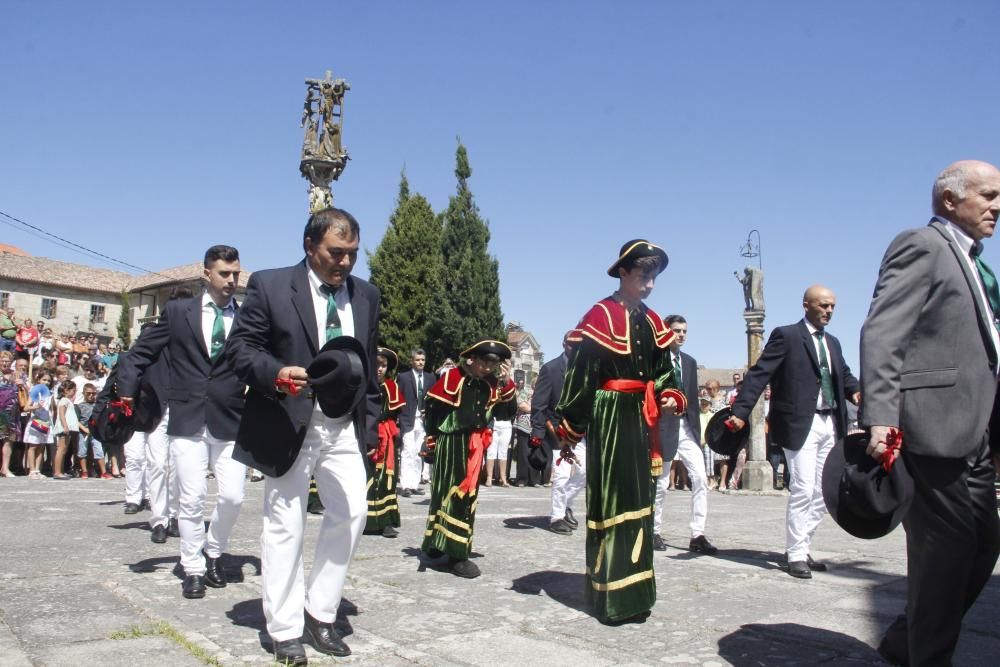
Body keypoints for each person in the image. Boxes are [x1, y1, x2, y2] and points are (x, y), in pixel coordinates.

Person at [226, 208, 381, 665]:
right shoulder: (271, 286)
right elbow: (240, 350)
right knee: (285, 525)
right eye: (337, 252)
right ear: (310, 246)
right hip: (287, 422)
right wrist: (277, 373)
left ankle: (320, 610)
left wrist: (370, 428)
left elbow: (368, 367)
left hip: (343, 427)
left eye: (352, 254)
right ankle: (285, 629)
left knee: (353, 513)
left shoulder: (367, 296)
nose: (346, 263)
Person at [861, 160, 1000, 666]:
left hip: (976, 431)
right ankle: (928, 656)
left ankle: (904, 642)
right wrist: (881, 416)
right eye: (986, 195)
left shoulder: (976, 263)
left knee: (984, 546)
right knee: (944, 555)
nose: (997, 206)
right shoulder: (921, 245)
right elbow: (883, 331)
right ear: (949, 200)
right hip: (930, 425)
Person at [555, 240, 685, 625]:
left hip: (642, 419)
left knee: (641, 500)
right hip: (611, 413)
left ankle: (636, 593)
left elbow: (664, 369)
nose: (649, 284)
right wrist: (572, 425)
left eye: (654, 277)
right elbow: (580, 377)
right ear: (624, 273)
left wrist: (670, 393)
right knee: (613, 502)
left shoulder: (652, 320)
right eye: (643, 275)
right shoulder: (600, 315)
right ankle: (612, 597)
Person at [116, 245, 247, 600]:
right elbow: (141, 352)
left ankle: (215, 549)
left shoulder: (247, 317)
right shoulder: (178, 312)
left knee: (234, 496)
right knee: (191, 498)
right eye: (225, 273)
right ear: (207, 274)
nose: (232, 280)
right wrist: (126, 388)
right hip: (187, 418)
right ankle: (193, 567)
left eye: (236, 273)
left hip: (231, 418)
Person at [728, 285, 860, 579]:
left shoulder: (834, 343)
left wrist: (857, 392)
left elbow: (845, 375)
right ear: (806, 305)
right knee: (803, 486)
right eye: (823, 305)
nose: (828, 311)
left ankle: (801, 544)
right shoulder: (786, 336)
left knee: (825, 491)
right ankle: (796, 553)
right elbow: (760, 373)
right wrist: (740, 412)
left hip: (830, 422)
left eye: (832, 306)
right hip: (801, 422)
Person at [420, 340, 516, 579]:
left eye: (493, 364)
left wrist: (506, 383)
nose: (487, 368)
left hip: (474, 445)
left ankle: (456, 552)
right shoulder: (452, 377)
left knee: (466, 497)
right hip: (451, 443)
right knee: (446, 494)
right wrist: (431, 441)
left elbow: (505, 413)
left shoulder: (493, 384)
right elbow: (433, 410)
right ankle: (442, 545)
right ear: (472, 358)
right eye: (485, 362)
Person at [652, 315, 717, 555]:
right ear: (666, 332)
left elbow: (691, 399)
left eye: (684, 331)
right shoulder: (655, 359)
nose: (681, 335)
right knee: (660, 484)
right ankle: (654, 530)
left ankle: (697, 534)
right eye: (676, 330)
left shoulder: (689, 362)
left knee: (700, 478)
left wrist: (697, 432)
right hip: (662, 428)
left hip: (686, 428)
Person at [531, 331, 584, 535]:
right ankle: (557, 517)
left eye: (579, 346)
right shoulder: (550, 369)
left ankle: (566, 504)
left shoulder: (585, 370)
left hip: (579, 430)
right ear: (564, 344)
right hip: (557, 431)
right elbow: (539, 405)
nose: (575, 349)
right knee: (561, 476)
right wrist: (538, 433)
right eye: (572, 345)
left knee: (583, 473)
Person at [365, 347, 404, 538]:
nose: (380, 369)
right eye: (376, 365)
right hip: (364, 435)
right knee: (366, 476)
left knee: (386, 479)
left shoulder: (391, 386)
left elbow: (396, 414)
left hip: (386, 438)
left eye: (383, 365)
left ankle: (386, 520)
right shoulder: (362, 384)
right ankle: (365, 521)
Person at [396, 349, 436, 497]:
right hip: (408, 419)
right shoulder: (403, 377)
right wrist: (399, 417)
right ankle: (405, 485)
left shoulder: (430, 378)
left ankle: (414, 484)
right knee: (407, 452)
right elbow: (398, 397)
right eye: (418, 360)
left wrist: (429, 411)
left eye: (423, 360)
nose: (421, 362)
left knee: (419, 453)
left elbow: (433, 399)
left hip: (423, 421)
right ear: (412, 361)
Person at [484, 360, 514, 487]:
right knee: (491, 450)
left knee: (503, 451)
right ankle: (489, 478)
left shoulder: (511, 386)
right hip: (494, 423)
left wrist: (507, 381)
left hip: (506, 423)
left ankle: (503, 478)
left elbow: (513, 407)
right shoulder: (493, 385)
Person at [50, 380, 78, 479]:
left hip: (67, 428)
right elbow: (61, 413)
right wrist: (65, 425)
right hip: (64, 428)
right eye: (72, 390)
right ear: (65, 390)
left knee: (64, 450)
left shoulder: (67, 401)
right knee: (61, 450)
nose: (74, 392)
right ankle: (57, 472)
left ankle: (60, 470)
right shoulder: (64, 400)